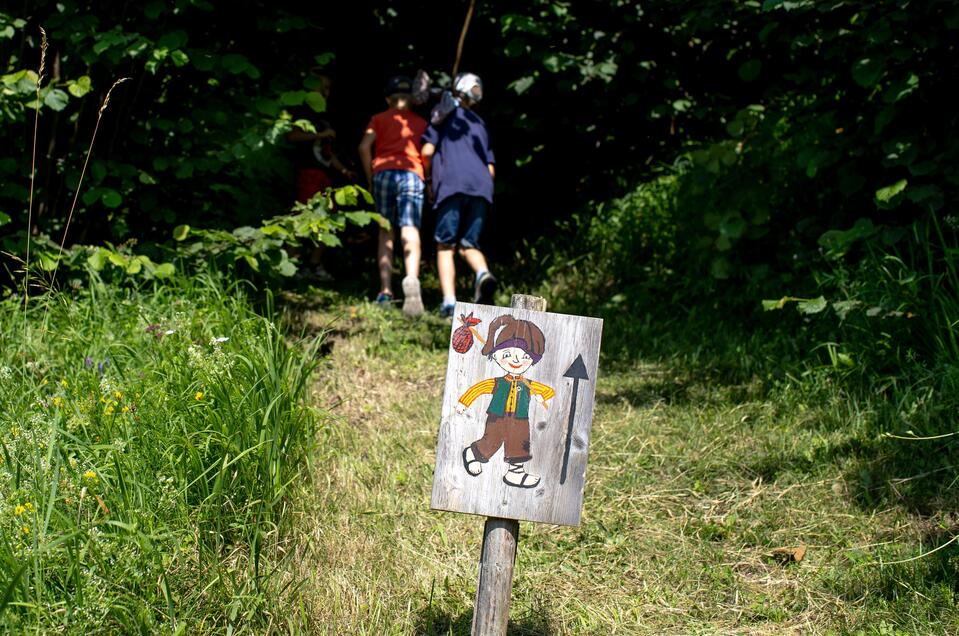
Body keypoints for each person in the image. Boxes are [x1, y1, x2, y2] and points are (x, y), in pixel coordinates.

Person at [421, 72, 497, 318]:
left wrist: (430, 181)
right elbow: (491, 167)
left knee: (446, 245)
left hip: (452, 183)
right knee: (469, 244)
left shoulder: (443, 116)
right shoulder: (479, 123)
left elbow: (427, 151)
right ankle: (483, 275)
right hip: (482, 186)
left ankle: (449, 303)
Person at [456, 314, 555, 488]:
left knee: (519, 443)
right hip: (498, 416)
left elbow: (548, 390)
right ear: (496, 354)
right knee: (491, 442)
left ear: (533, 360)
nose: (516, 360)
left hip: (520, 419)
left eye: (525, 357)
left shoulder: (527, 385)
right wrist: (464, 403)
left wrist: (542, 397)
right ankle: (473, 453)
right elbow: (478, 388)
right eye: (508, 354)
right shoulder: (498, 382)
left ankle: (515, 473)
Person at [358, 75, 428, 316]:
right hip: (411, 174)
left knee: (385, 232)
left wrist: (370, 177)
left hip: (383, 173)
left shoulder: (378, 119)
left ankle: (385, 291)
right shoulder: (420, 123)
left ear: (388, 98)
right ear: (411, 99)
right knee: (410, 229)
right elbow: (427, 152)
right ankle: (411, 278)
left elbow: (364, 147)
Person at [286, 72, 355, 280]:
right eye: (323, 88)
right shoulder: (303, 114)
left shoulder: (323, 119)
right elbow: (292, 136)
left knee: (327, 219)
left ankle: (314, 265)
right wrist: (320, 135)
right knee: (301, 218)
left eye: (328, 89)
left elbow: (327, 153)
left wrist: (343, 170)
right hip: (308, 173)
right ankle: (291, 265)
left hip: (326, 177)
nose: (326, 93)